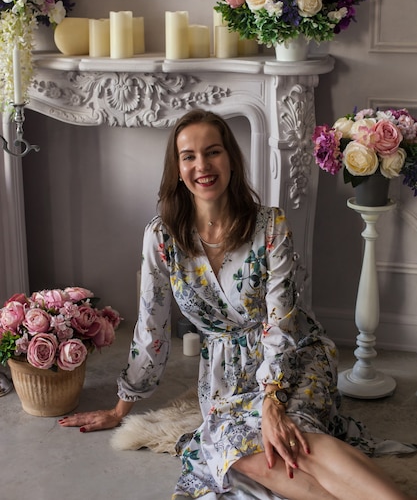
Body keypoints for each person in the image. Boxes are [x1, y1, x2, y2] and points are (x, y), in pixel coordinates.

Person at [59, 109, 416, 500]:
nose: (202, 165)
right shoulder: (161, 238)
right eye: (189, 156)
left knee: (292, 436)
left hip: (292, 358)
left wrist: (272, 402)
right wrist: (119, 409)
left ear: (230, 159)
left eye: (212, 152)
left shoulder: (271, 226)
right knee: (233, 453)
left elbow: (282, 324)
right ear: (177, 168)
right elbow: (152, 329)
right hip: (224, 377)